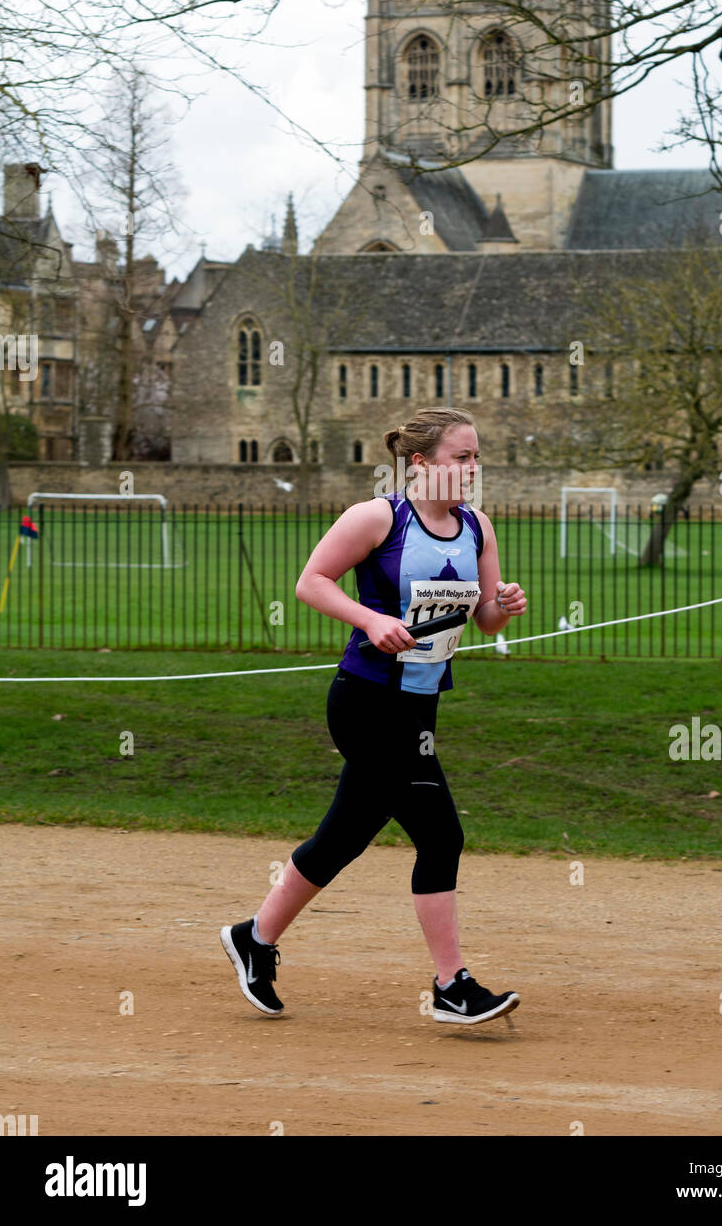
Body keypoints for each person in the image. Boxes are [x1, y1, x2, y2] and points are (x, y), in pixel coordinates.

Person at [220, 407, 528, 1025]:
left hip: (420, 706)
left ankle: (254, 937)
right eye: (461, 457)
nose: (473, 469)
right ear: (419, 463)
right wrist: (370, 619)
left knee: (345, 835)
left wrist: (503, 606)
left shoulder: (478, 528)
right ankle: (451, 985)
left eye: (476, 457)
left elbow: (486, 620)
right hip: (364, 702)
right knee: (442, 833)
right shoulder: (378, 517)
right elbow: (312, 582)